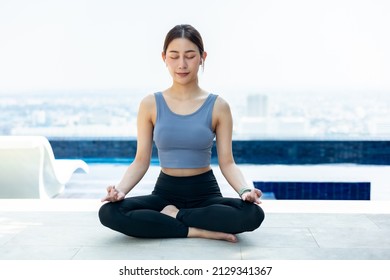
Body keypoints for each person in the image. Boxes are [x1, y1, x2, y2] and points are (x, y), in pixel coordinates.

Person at [98, 24, 264, 242]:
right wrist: (119, 191)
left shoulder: (218, 106)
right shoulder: (150, 104)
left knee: (252, 215)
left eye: (190, 56)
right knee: (109, 212)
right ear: (164, 58)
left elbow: (228, 163)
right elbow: (140, 161)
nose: (182, 64)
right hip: (164, 194)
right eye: (174, 56)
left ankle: (175, 217)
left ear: (202, 57)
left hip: (205, 193)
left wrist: (244, 191)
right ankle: (196, 230)